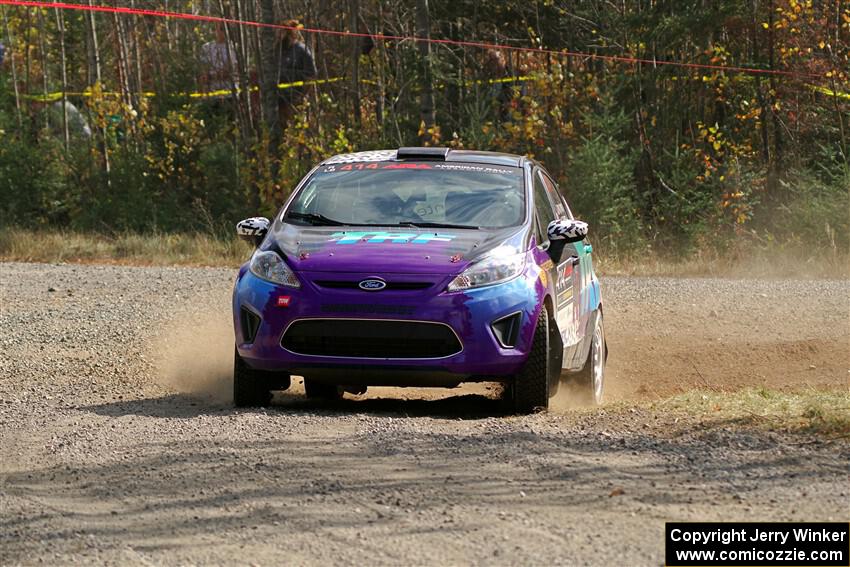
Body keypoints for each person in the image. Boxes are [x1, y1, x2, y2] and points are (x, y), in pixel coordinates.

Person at [276, 19, 317, 126]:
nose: (279, 36)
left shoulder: (301, 50)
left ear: (290, 33)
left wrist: (301, 97)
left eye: (282, 32)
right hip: (279, 100)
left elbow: (311, 76)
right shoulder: (279, 50)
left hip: (296, 99)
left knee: (298, 131)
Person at [200, 23, 238, 96]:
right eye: (221, 28)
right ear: (216, 29)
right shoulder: (207, 47)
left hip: (230, 93)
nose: (223, 32)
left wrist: (212, 76)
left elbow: (230, 71)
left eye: (226, 29)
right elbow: (203, 74)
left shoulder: (233, 48)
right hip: (211, 93)